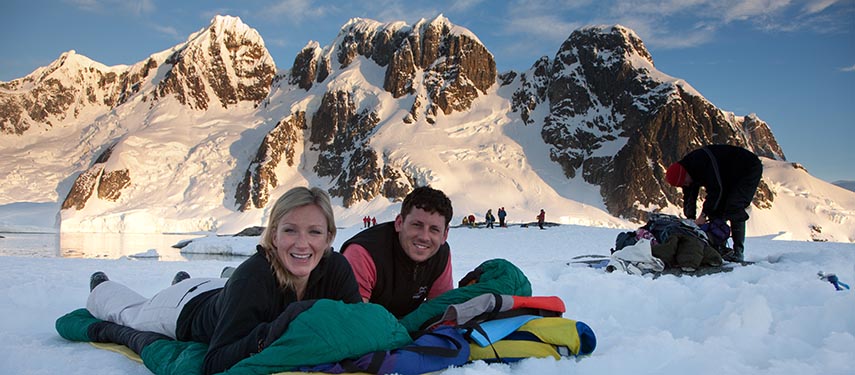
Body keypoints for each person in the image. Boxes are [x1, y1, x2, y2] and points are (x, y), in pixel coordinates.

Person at [85, 187, 361, 374]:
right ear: (274, 235)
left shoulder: (336, 268)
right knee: (129, 313)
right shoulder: (253, 277)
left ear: (329, 238)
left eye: (314, 232)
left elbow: (361, 324)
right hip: (184, 307)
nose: (302, 243)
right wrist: (272, 332)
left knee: (230, 288)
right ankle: (102, 287)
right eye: (290, 230)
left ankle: (181, 280)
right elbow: (214, 363)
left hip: (224, 292)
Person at [340, 186, 454, 318]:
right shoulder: (363, 253)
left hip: (403, 324)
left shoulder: (440, 254)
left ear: (444, 235)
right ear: (399, 223)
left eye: (434, 229)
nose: (424, 237)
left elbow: (439, 310)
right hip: (367, 323)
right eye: (417, 225)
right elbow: (353, 318)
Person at [665, 144, 762, 262]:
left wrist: (703, 215)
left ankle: (738, 252)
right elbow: (689, 196)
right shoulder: (687, 174)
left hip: (747, 168)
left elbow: (716, 191)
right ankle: (720, 248)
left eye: (685, 182)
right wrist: (690, 219)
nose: (686, 185)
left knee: (734, 206)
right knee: (716, 210)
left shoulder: (702, 163)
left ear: (685, 174)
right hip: (727, 175)